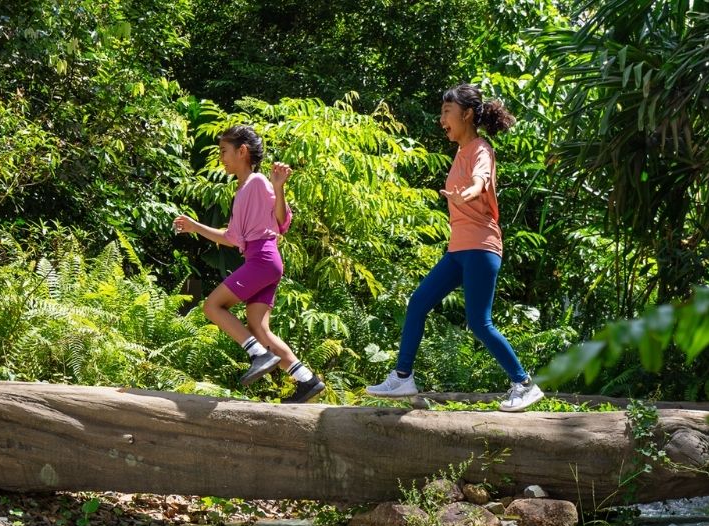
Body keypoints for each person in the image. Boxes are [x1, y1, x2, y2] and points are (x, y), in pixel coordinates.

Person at [367, 83, 544, 413]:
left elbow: (481, 178)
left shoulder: (480, 149)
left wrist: (472, 191)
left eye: (447, 112)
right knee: (419, 302)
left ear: (465, 114)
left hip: (480, 247)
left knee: (480, 322)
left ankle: (524, 384)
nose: (441, 119)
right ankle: (402, 377)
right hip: (459, 249)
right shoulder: (461, 152)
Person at [173, 125, 324, 403]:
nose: (222, 158)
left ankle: (258, 353)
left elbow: (281, 222)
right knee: (258, 326)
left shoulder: (256, 183)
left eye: (224, 151)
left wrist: (278, 188)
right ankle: (306, 379)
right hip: (263, 261)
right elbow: (231, 238)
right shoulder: (243, 188)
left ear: (242, 152)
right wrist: (195, 226)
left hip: (263, 259)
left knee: (212, 306)